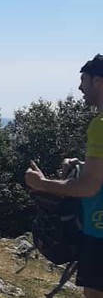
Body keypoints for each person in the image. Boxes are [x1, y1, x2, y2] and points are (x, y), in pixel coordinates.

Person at [25, 54, 103, 298]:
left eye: (84, 80)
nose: (80, 87)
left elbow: (89, 187)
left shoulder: (100, 125)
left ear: (99, 82)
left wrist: (42, 184)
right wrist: (82, 164)